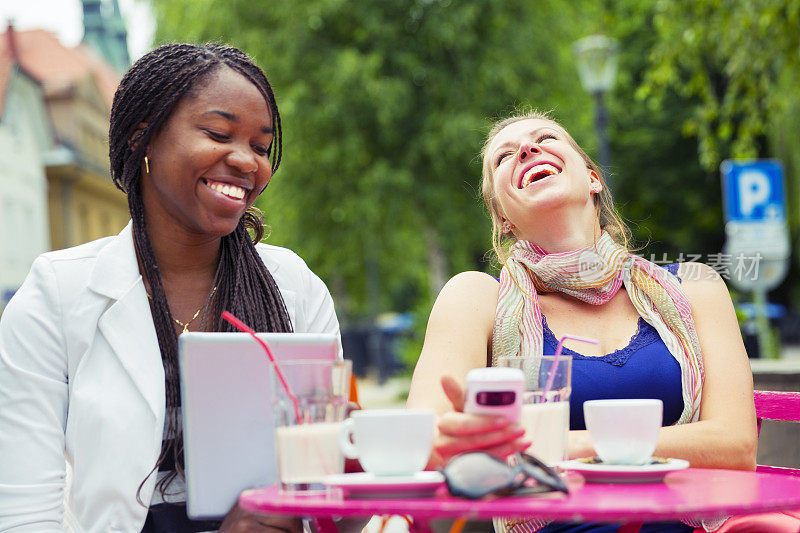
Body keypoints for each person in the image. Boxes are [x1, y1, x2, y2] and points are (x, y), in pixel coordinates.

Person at [0, 43, 340, 533]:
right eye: (219, 133)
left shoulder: (295, 288)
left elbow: (338, 514)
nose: (247, 162)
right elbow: (22, 517)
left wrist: (346, 463)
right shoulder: (57, 296)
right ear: (145, 141)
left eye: (262, 147)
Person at [406, 111, 758, 533]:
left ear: (593, 178)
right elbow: (420, 444)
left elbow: (736, 447)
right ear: (502, 217)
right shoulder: (476, 298)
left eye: (546, 137)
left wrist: (564, 446)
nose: (526, 149)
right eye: (503, 157)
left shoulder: (696, 287)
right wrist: (457, 442)